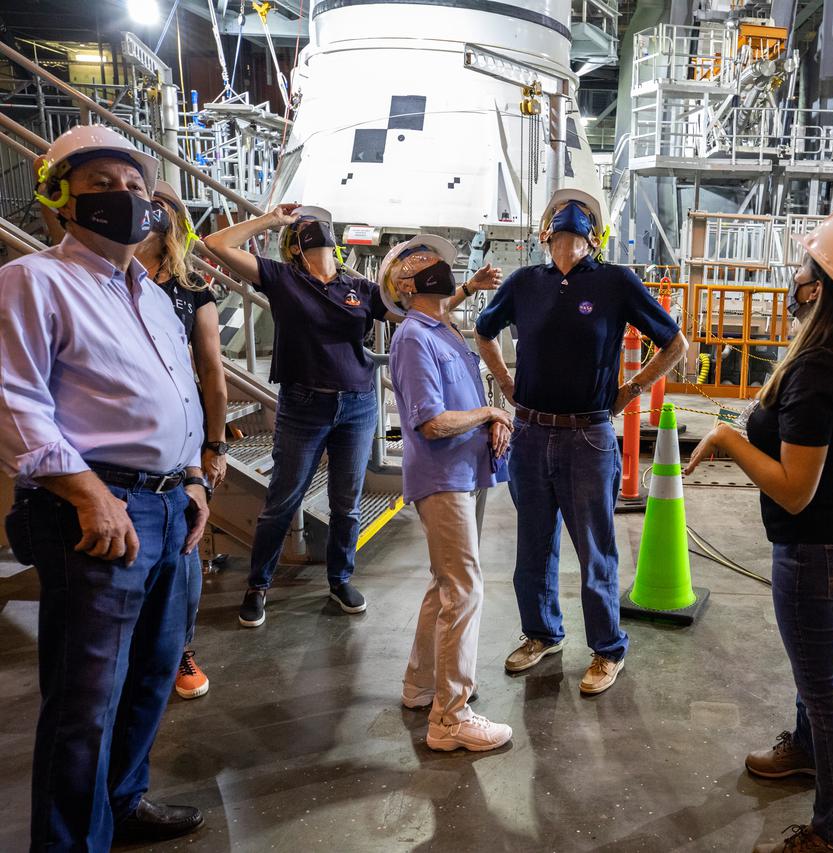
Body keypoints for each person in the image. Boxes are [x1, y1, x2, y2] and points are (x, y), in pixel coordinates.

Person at [0, 125, 210, 849]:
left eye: (134, 189)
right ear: (60, 197)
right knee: (85, 699)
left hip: (168, 504)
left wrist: (191, 476)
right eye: (101, 187)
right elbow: (14, 399)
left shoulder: (152, 294)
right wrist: (89, 492)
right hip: (98, 509)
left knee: (153, 674)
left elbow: (178, 392)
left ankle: (121, 804)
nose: (123, 199)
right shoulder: (35, 280)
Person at [683, 209, 833, 853]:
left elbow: (794, 489)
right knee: (816, 670)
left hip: (819, 548)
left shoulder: (818, 369)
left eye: (807, 266)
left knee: (826, 689)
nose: (796, 275)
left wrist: (727, 436)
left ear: (822, 287)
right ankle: (806, 751)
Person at [203, 206, 498, 627]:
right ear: (294, 244)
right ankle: (258, 585)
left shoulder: (357, 286)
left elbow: (420, 307)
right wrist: (271, 220)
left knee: (347, 502)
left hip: (357, 404)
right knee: (282, 500)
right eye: (304, 227)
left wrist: (467, 287)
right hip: (303, 406)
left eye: (317, 225)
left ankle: (340, 579)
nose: (314, 228)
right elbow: (215, 244)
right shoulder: (282, 278)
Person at [475, 188, 688, 695]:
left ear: (594, 237)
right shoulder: (525, 283)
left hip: (587, 436)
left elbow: (675, 343)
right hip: (529, 433)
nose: (567, 236)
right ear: (545, 234)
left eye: (578, 229)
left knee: (594, 550)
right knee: (533, 546)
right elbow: (484, 332)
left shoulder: (616, 282)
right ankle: (542, 634)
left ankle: (606, 649)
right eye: (559, 227)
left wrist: (631, 390)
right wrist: (506, 384)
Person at [382, 235, 514, 752]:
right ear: (406, 285)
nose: (438, 265)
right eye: (424, 262)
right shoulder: (414, 337)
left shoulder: (440, 328)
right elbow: (431, 422)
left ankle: (422, 686)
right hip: (442, 477)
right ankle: (451, 717)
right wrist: (491, 413)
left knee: (445, 586)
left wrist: (489, 421)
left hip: (463, 471)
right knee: (464, 588)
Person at [135, 179, 227, 700]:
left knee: (186, 551)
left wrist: (213, 446)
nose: (148, 212)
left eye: (159, 205)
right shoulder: (101, 280)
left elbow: (211, 374)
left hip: (181, 446)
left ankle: (179, 647)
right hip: (119, 447)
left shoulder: (191, 289)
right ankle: (140, 648)